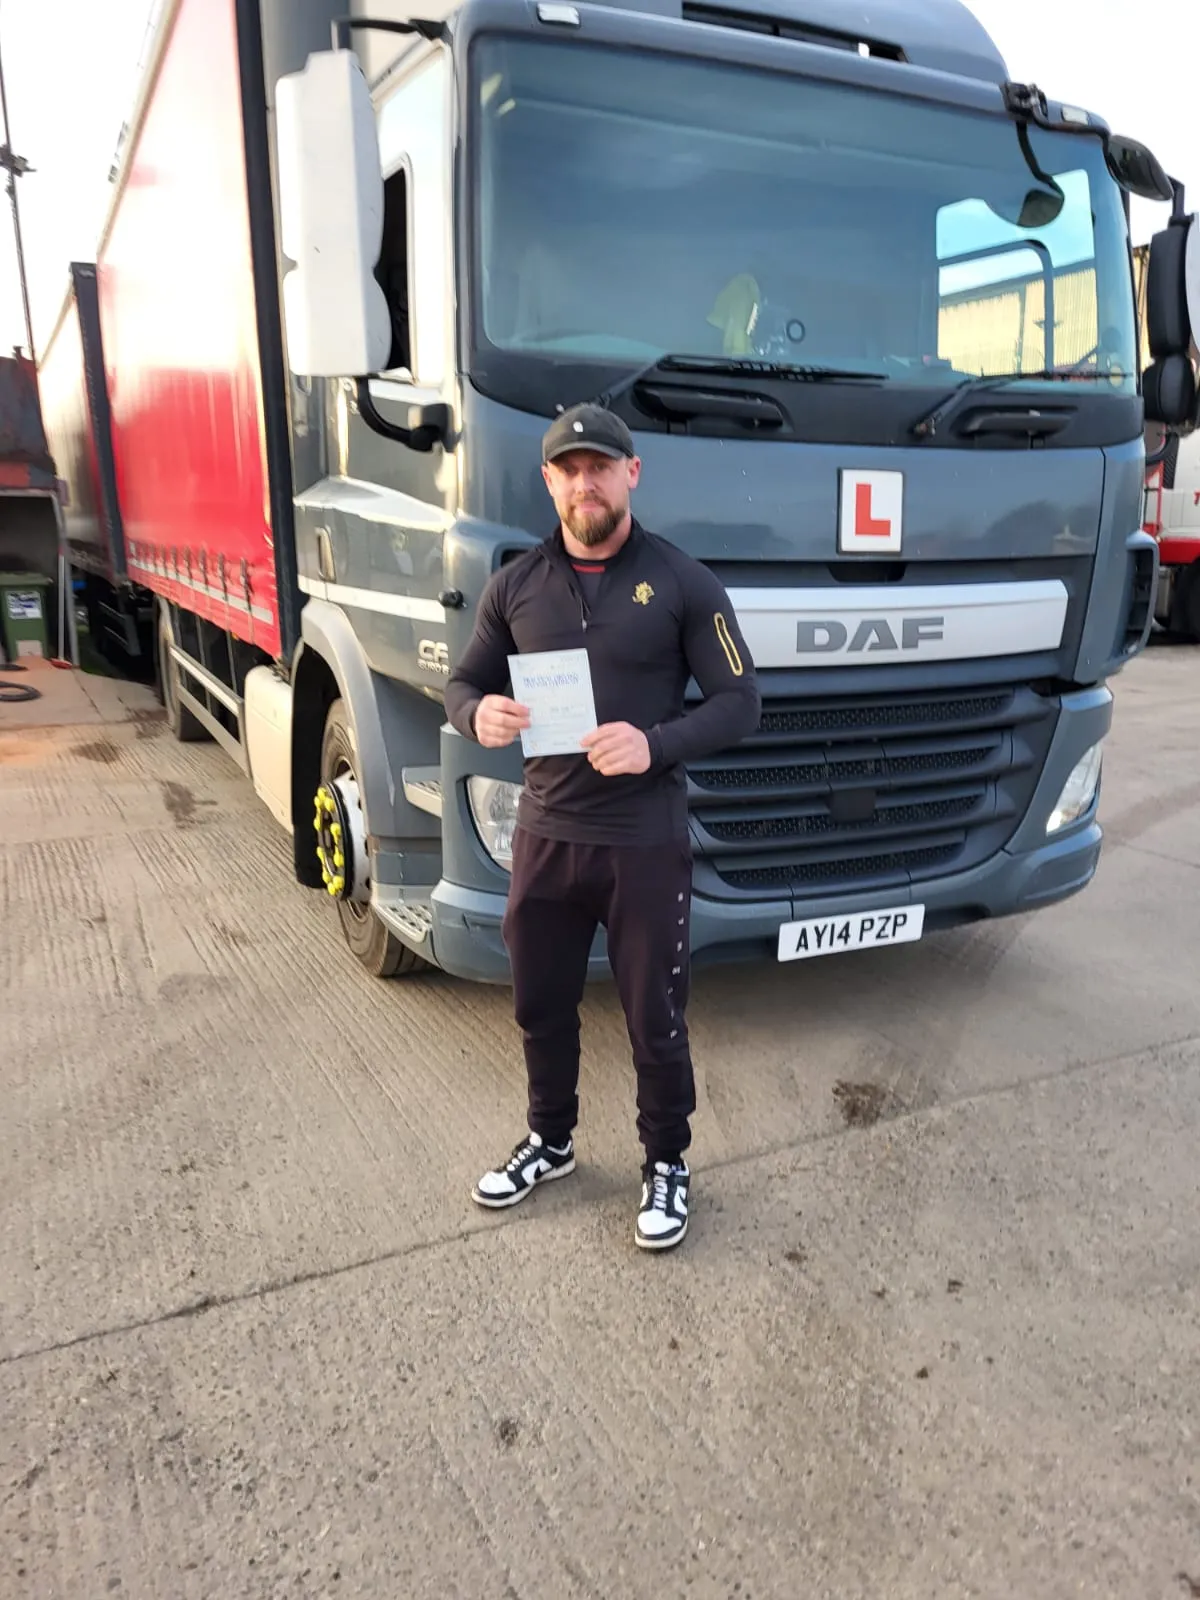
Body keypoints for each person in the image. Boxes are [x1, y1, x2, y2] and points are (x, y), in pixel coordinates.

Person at [444, 403, 760, 1251]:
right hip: (547, 836)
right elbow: (461, 683)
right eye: (569, 469)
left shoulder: (685, 582)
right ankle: (550, 1141)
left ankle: (667, 1161)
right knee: (540, 1002)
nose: (586, 483)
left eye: (601, 466)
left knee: (653, 1011)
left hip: (642, 842)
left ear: (632, 474)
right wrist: (479, 717)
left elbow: (741, 704)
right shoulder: (515, 585)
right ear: (549, 482)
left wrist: (654, 743)